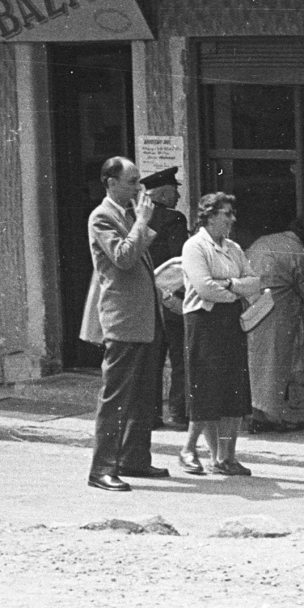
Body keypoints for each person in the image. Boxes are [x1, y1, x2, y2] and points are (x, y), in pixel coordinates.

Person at [80, 156, 167, 491]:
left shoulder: (128, 214)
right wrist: (142, 222)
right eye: (131, 181)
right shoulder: (102, 216)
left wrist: (139, 221)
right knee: (115, 396)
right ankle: (102, 467)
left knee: (144, 395)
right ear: (111, 183)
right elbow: (123, 259)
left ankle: (134, 459)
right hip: (122, 320)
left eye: (138, 181)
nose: (138, 188)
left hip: (144, 318)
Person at [179, 192, 262, 476]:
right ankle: (189, 449)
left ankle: (225, 457)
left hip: (230, 322)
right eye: (227, 213)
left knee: (233, 390)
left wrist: (227, 284)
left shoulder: (234, 248)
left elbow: (255, 282)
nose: (232, 219)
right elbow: (203, 288)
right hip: (203, 321)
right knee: (206, 388)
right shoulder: (194, 246)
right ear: (210, 215)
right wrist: (234, 290)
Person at [245, 212, 304, 433]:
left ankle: (257, 414)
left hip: (253, 306)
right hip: (278, 311)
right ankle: (274, 418)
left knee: (256, 363)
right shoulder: (298, 251)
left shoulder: (262, 241)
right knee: (276, 364)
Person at [143, 166, 190, 431]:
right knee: (180, 355)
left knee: (152, 357)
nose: (178, 198)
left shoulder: (131, 217)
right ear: (163, 193)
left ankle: (150, 414)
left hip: (145, 297)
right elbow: (179, 260)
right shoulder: (174, 219)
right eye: (174, 192)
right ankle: (179, 412)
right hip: (171, 295)